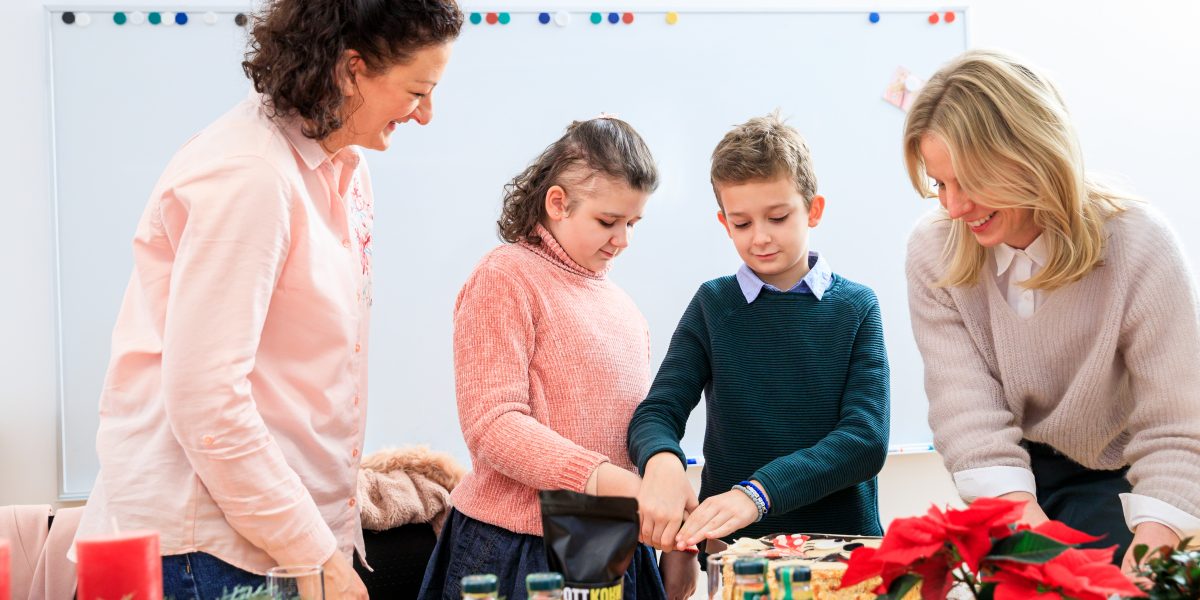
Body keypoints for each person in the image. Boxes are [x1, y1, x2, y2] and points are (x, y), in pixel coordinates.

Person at [72, 1, 462, 597]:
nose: (427, 115)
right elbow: (207, 401)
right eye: (417, 91)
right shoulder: (250, 175)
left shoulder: (345, 164)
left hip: (280, 532)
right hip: (208, 546)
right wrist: (316, 557)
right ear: (351, 69)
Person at [903, 48, 1200, 571]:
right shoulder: (935, 248)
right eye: (938, 184)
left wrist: (1142, 569)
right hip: (1011, 478)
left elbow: (1180, 428)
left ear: (1032, 154)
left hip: (1126, 481)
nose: (952, 207)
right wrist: (1044, 555)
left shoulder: (1139, 243)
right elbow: (968, 416)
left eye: (968, 182)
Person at [628, 112, 890, 599]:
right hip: (737, 561)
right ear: (723, 222)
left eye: (778, 217)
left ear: (814, 210)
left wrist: (759, 493)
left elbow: (865, 440)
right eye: (743, 223)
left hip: (842, 557)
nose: (760, 237)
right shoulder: (713, 305)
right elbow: (658, 411)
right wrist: (662, 464)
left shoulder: (857, 307)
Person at [418, 117, 667, 600]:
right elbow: (494, 424)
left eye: (632, 223)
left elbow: (633, 431)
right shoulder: (506, 277)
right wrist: (610, 482)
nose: (623, 240)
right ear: (558, 203)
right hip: (516, 551)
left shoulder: (624, 309)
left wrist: (670, 544)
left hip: (611, 547)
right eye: (607, 221)